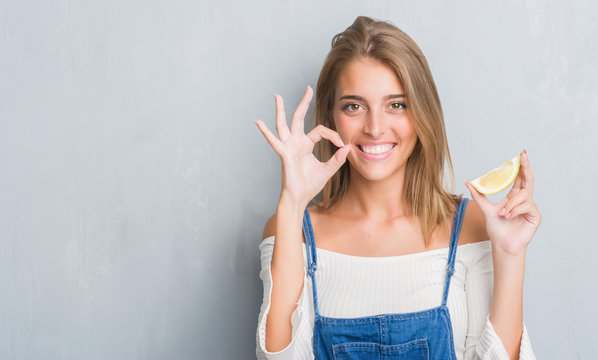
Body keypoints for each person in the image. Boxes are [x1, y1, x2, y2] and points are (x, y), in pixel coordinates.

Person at [254, 16, 540, 359]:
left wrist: (510, 256)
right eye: (354, 106)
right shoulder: (292, 230)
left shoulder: (471, 227)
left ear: (422, 114)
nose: (375, 127)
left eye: (397, 105)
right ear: (331, 118)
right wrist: (292, 204)